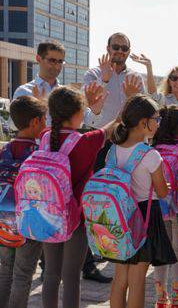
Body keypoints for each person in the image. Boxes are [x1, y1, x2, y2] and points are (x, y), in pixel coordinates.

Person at [41, 86, 115, 308]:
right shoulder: (85, 141)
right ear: (76, 113)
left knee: (51, 275)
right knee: (71, 277)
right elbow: (111, 128)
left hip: (48, 214)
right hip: (76, 218)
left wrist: (88, 106)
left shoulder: (45, 137)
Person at [83, 32, 145, 282]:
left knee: (121, 201)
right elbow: (90, 113)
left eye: (124, 48)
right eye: (115, 47)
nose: (119, 51)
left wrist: (132, 97)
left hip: (124, 147)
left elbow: (140, 109)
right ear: (107, 48)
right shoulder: (93, 75)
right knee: (95, 201)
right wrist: (106, 80)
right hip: (98, 144)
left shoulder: (134, 77)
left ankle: (114, 249)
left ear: (129, 51)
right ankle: (87, 263)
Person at [104, 95, 174, 308]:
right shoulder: (150, 155)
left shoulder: (112, 150)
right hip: (143, 216)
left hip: (118, 216)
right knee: (137, 280)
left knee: (120, 277)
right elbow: (162, 192)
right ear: (144, 122)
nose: (158, 123)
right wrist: (167, 188)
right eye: (157, 118)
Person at [0, 97, 47, 308]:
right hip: (29, 226)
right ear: (35, 122)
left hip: (3, 223)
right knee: (22, 275)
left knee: (4, 271)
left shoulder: (3, 152)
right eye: (45, 120)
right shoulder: (39, 155)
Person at [151, 106, 178, 308]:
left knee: (161, 254)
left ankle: (161, 298)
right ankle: (177, 298)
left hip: (158, 207)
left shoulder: (155, 149)